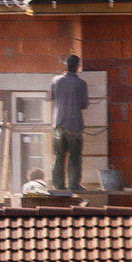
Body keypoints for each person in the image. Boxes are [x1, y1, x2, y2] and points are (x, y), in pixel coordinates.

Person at [49, 54, 89, 191]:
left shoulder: (55, 80)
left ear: (65, 65)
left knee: (59, 156)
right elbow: (84, 105)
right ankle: (73, 185)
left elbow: (53, 98)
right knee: (74, 157)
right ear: (77, 67)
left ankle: (58, 185)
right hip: (74, 126)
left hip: (58, 126)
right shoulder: (81, 84)